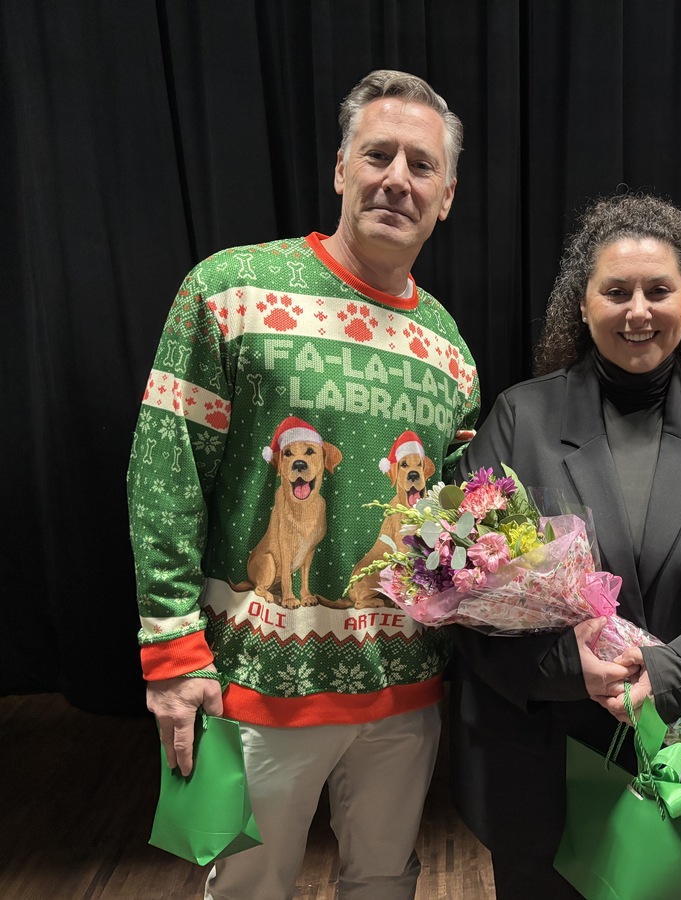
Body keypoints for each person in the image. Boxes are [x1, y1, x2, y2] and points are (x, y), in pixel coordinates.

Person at [127, 70, 479, 900]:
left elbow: (454, 521)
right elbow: (164, 470)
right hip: (257, 683)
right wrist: (171, 653)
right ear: (340, 169)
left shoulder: (449, 346)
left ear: (448, 195)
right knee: (251, 888)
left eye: (421, 165)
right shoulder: (230, 288)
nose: (398, 178)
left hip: (403, 688)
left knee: (386, 883)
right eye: (378, 154)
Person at [448, 193, 681, 898]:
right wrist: (565, 664)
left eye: (659, 289)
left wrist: (675, 672)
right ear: (581, 303)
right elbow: (465, 587)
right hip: (545, 753)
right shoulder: (519, 415)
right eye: (615, 291)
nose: (638, 310)